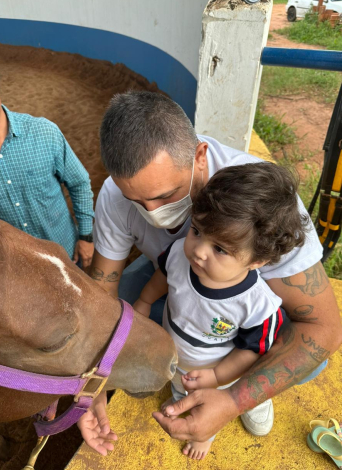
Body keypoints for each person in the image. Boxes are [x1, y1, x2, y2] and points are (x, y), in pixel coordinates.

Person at [78, 91, 342, 454]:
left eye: (166, 195)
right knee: (116, 308)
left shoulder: (262, 207)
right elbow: (102, 290)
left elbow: (323, 329)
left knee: (305, 360)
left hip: (237, 313)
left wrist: (235, 398)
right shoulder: (115, 195)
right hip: (173, 284)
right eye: (136, 201)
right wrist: (94, 382)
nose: (151, 212)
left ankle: (251, 390)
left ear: (201, 156)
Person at [133, 162, 308, 460]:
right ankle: (181, 398)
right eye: (197, 231)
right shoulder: (179, 255)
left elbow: (252, 351)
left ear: (258, 260)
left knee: (207, 402)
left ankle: (215, 425)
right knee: (180, 387)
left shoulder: (257, 305)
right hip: (176, 357)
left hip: (221, 375)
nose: (199, 250)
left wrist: (216, 376)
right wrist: (145, 302)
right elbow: (163, 277)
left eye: (221, 249)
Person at [0, 45, 94, 267]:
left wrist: (86, 236)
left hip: (66, 257)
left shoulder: (44, 132)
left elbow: (79, 183)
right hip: (19, 268)